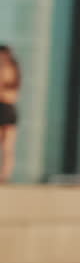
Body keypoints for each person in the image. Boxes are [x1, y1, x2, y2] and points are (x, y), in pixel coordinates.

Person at [0, 45, 20, 184]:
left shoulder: (10, 70)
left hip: (6, 110)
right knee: (7, 147)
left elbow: (10, 94)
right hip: (7, 109)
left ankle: (5, 176)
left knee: (8, 147)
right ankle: (5, 175)